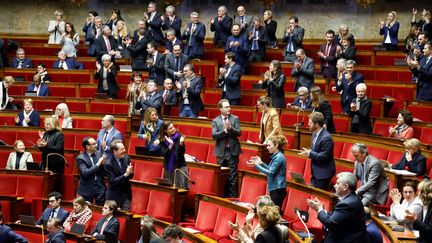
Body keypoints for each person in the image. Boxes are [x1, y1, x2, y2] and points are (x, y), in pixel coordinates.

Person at [307, 172, 368, 243]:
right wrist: (323, 211)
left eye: (338, 183)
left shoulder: (348, 203)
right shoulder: (351, 198)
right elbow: (339, 217)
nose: (335, 186)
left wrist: (319, 210)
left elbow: (330, 223)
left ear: (345, 187)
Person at [212, 99, 242, 198]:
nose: (229, 108)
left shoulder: (235, 118)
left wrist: (230, 128)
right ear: (220, 109)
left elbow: (239, 133)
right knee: (221, 176)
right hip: (221, 152)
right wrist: (224, 131)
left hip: (232, 151)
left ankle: (232, 199)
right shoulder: (215, 121)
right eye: (226, 107)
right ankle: (221, 198)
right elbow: (214, 135)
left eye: (229, 106)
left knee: (232, 177)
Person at [248, 135, 287, 210]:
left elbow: (271, 173)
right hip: (275, 188)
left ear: (276, 145)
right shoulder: (276, 156)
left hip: (278, 190)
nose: (267, 147)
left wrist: (256, 165)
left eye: (269, 145)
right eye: (267, 145)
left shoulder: (279, 157)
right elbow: (270, 169)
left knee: (273, 214)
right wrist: (261, 163)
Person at [299, 112, 335, 190]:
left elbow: (324, 156)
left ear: (316, 124)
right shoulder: (314, 133)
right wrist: (308, 153)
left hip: (323, 173)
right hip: (316, 171)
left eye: (310, 123)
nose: (308, 124)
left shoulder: (326, 138)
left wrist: (310, 153)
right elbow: (314, 150)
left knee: (319, 196)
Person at [37, 117, 65, 192]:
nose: (46, 126)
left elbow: (58, 148)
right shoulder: (46, 133)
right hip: (46, 162)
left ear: (54, 124)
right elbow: (44, 148)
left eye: (48, 124)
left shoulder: (59, 135)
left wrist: (46, 145)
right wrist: (40, 145)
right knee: (46, 184)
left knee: (54, 185)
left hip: (56, 164)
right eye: (45, 124)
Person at [76, 136, 106, 206]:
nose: (96, 145)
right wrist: (98, 164)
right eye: (94, 144)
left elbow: (103, 170)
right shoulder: (81, 158)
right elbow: (85, 173)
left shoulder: (99, 153)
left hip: (100, 186)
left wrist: (103, 164)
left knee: (101, 209)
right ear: (87, 147)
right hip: (87, 188)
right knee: (86, 210)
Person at [105, 139, 134, 210]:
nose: (124, 150)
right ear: (115, 152)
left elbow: (131, 176)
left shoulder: (126, 158)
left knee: (125, 218)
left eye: (124, 148)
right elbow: (113, 181)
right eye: (122, 149)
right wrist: (126, 174)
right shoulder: (109, 164)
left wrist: (130, 172)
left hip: (126, 194)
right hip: (114, 197)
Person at [160, 121, 189, 189]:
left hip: (180, 166)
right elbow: (165, 155)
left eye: (173, 127)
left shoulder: (179, 136)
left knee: (181, 189)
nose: (173, 129)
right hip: (168, 168)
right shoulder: (162, 140)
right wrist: (170, 145)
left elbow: (181, 153)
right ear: (165, 131)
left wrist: (181, 144)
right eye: (170, 128)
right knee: (169, 189)